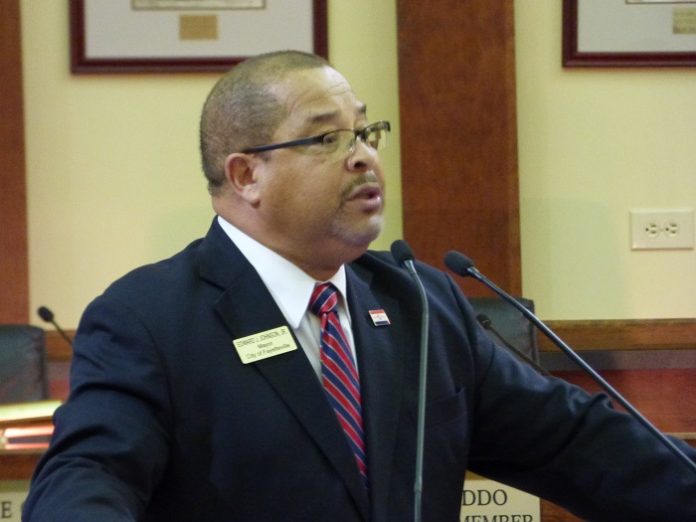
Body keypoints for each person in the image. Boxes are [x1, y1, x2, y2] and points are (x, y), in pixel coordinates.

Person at [23, 50, 696, 521]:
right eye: (322, 139)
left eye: (365, 131)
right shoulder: (149, 318)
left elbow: (573, 443)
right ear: (245, 174)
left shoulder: (420, 303)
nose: (363, 155)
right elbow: (91, 475)